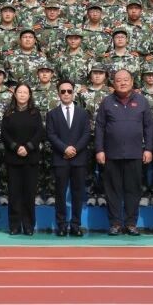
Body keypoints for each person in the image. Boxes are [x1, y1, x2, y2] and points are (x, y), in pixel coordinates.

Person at [94, 69, 153, 236]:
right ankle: (115, 224)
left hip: (135, 154)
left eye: (126, 79)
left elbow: (149, 127)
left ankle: (131, 223)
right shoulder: (107, 102)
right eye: (118, 80)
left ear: (132, 82)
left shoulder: (142, 101)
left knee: (133, 190)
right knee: (112, 191)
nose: (122, 83)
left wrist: (148, 149)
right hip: (111, 154)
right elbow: (99, 127)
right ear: (113, 83)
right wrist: (99, 149)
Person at [45, 80, 91, 237]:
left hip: (79, 159)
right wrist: (65, 148)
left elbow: (86, 134)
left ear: (73, 93)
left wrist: (74, 149)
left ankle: (76, 225)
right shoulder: (52, 114)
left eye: (69, 91)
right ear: (58, 94)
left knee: (78, 193)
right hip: (60, 158)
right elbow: (51, 134)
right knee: (60, 193)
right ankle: (61, 225)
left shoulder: (83, 113)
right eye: (63, 91)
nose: (66, 94)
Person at [1, 83, 45, 235]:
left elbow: (39, 132)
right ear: (15, 94)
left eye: (25, 92)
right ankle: (14, 225)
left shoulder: (35, 113)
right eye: (19, 92)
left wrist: (28, 147)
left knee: (29, 193)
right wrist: (15, 147)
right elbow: (4, 134)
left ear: (29, 95)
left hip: (31, 158)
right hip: (13, 159)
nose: (22, 95)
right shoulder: (8, 113)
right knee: (14, 194)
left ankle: (28, 225)